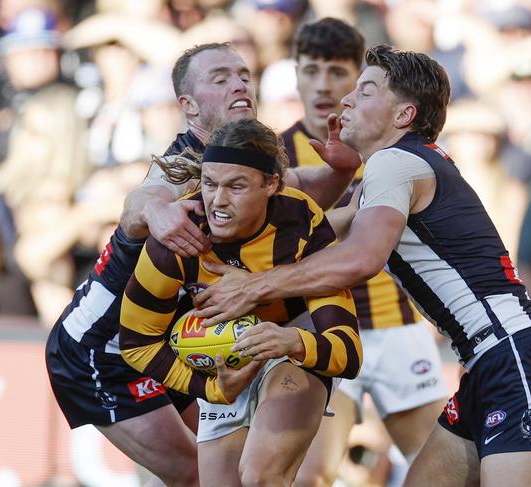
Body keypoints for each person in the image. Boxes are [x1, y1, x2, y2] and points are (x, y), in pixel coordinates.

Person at [194, 45, 531, 486]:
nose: (346, 100)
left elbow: (360, 259)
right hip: (492, 362)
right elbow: (324, 231)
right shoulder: (401, 165)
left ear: (403, 115)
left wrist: (253, 287)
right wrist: (336, 177)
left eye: (366, 91)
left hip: (516, 358)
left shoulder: (395, 163)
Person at [45, 41, 360, 486]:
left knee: (220, 474)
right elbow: (144, 199)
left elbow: (296, 191)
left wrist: (342, 173)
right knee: (198, 477)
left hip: (179, 337)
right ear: (187, 106)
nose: (240, 85)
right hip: (104, 349)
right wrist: (158, 213)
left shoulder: (241, 159)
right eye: (221, 78)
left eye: (244, 75)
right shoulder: (180, 167)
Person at [120, 118, 362, 486]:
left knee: (262, 475)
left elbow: (348, 349)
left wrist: (293, 341)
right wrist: (212, 388)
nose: (217, 201)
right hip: (222, 360)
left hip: (294, 343)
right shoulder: (177, 239)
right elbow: (136, 343)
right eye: (210, 183)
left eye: (236, 186)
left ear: (272, 184)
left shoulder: (301, 220)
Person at [282, 19, 448, 486]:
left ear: (360, 80)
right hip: (325, 325)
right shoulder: (276, 155)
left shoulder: (393, 144)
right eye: (310, 70)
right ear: (295, 74)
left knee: (436, 472)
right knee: (312, 474)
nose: (322, 85)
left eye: (337, 72)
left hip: (399, 327)